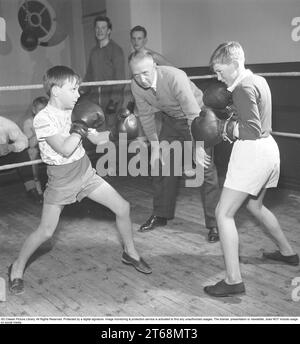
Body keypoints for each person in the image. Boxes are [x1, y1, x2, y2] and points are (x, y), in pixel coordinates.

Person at [8, 65, 151, 295]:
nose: (77, 94)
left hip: (85, 172)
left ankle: (130, 252)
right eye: (73, 90)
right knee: (45, 232)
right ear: (55, 91)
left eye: (78, 89)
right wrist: (80, 127)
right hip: (60, 179)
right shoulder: (43, 119)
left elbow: (97, 141)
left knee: (123, 207)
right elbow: (64, 148)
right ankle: (17, 267)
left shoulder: (76, 110)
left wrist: (117, 132)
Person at [203, 42, 299, 297]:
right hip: (269, 151)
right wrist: (232, 115)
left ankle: (233, 280)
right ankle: (288, 253)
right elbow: (254, 119)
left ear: (235, 65)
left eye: (220, 70)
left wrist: (225, 129)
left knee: (222, 213)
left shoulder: (243, 87)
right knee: (255, 206)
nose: (217, 76)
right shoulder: (257, 80)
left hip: (253, 152)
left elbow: (252, 130)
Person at [129, 51, 220, 243]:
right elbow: (145, 116)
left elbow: (192, 112)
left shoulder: (174, 77)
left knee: (205, 168)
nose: (141, 79)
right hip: (171, 119)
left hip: (198, 117)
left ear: (154, 65)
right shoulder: (136, 85)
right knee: (162, 164)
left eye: (145, 72)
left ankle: (215, 224)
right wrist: (154, 145)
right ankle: (161, 215)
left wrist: (198, 146)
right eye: (136, 74)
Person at [83, 16, 125, 130]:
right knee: (97, 131)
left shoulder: (116, 50)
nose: (99, 31)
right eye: (97, 28)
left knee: (112, 132)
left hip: (111, 99)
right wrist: (80, 90)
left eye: (103, 28)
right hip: (96, 98)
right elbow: (89, 75)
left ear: (109, 31)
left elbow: (120, 79)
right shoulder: (93, 51)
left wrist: (114, 101)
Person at [21, 96, 48, 202]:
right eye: (40, 110)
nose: (43, 113)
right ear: (34, 110)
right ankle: (38, 191)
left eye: (45, 110)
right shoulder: (29, 122)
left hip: (50, 147)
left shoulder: (52, 119)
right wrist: (40, 130)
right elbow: (30, 144)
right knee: (31, 153)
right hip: (36, 148)